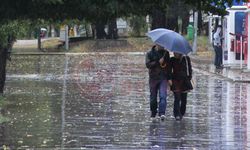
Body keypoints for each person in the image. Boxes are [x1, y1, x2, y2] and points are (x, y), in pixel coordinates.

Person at [145, 44, 171, 121]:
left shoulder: (166, 53)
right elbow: (148, 64)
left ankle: (162, 113)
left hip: (163, 78)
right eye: (161, 45)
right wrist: (157, 62)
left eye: (163, 45)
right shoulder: (149, 53)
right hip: (153, 78)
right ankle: (153, 112)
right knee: (153, 97)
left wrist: (169, 78)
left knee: (163, 96)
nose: (163, 46)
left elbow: (168, 67)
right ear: (156, 44)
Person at [169, 52, 193, 121]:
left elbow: (189, 69)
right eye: (174, 52)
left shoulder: (186, 58)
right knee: (177, 97)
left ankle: (182, 113)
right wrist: (169, 79)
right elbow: (169, 70)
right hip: (176, 81)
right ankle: (176, 114)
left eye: (176, 52)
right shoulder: (172, 60)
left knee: (184, 99)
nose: (174, 53)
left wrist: (189, 77)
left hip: (184, 81)